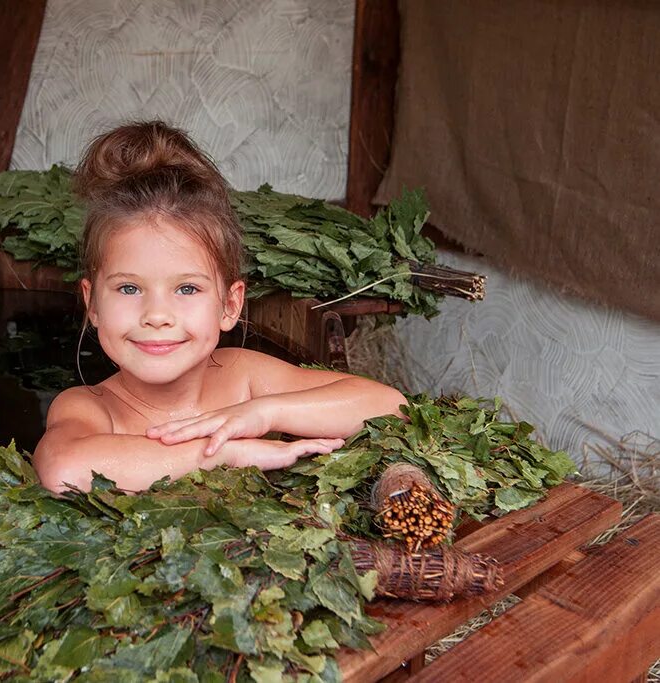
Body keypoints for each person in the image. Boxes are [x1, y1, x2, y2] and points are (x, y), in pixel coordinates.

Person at [33, 121, 404, 494]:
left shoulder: (243, 377)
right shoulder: (91, 407)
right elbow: (65, 467)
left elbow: (390, 406)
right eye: (129, 288)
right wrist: (222, 455)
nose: (157, 315)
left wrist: (263, 412)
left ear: (229, 304)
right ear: (92, 303)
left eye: (187, 288)